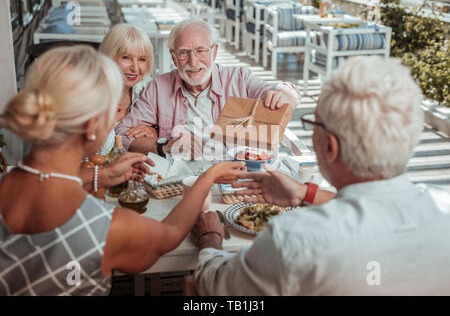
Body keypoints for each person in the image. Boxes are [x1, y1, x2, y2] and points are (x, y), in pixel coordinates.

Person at [190, 56, 450, 295]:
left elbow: (213, 287)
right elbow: (378, 208)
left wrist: (210, 237)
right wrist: (306, 193)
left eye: (313, 124)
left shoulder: (293, 239)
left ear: (330, 146)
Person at [0, 46, 245, 296]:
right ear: (91, 126)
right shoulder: (102, 227)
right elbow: (168, 235)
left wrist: (103, 175)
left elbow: (46, 184)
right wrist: (209, 176)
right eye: (113, 112)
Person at [115, 18, 302, 158]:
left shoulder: (238, 78)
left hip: (233, 173)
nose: (193, 62)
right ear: (173, 57)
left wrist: (284, 94)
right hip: (178, 178)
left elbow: (285, 91)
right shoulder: (159, 87)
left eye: (201, 51)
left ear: (214, 51)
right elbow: (122, 134)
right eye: (184, 53)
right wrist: (165, 145)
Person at [98, 23, 155, 156]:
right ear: (109, 57)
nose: (135, 68)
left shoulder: (148, 91)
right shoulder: (88, 94)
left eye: (142, 59)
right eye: (126, 58)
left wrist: (154, 130)